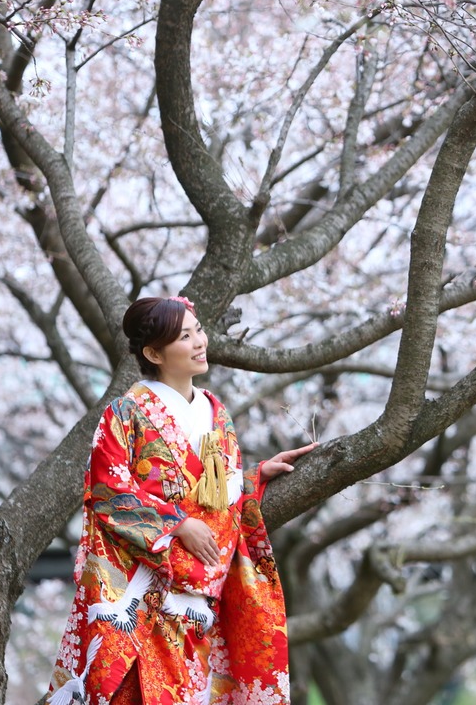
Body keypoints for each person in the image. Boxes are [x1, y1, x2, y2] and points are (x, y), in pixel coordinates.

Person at [45, 296, 314, 705]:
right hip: (145, 598)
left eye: (198, 330)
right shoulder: (124, 413)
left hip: (201, 603)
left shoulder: (215, 411)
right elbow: (106, 492)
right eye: (184, 336)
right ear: (153, 352)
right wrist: (176, 525)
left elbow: (220, 494)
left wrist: (255, 477)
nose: (199, 342)